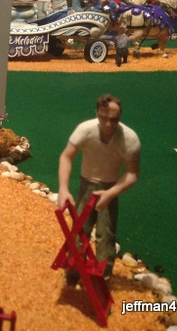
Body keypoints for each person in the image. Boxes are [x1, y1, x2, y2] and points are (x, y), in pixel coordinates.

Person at [57, 94, 140, 282]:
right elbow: (66, 157)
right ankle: (73, 274)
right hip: (86, 185)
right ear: (97, 112)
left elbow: (132, 173)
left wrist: (111, 193)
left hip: (109, 187)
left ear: (119, 117)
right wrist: (63, 188)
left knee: (106, 236)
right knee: (79, 231)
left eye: (114, 119)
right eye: (103, 117)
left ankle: (102, 279)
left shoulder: (129, 138)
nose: (108, 124)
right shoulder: (85, 130)